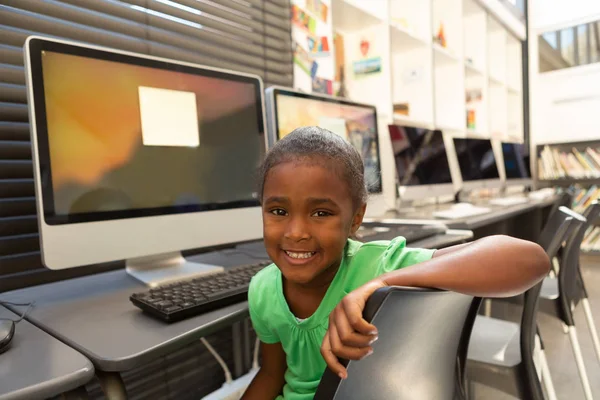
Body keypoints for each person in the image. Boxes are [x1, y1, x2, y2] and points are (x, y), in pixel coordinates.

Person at [241, 127, 550, 400]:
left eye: (321, 213)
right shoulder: (263, 290)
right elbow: (272, 374)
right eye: (278, 212)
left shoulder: (380, 266)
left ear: (355, 219)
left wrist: (383, 284)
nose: (296, 233)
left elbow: (531, 259)